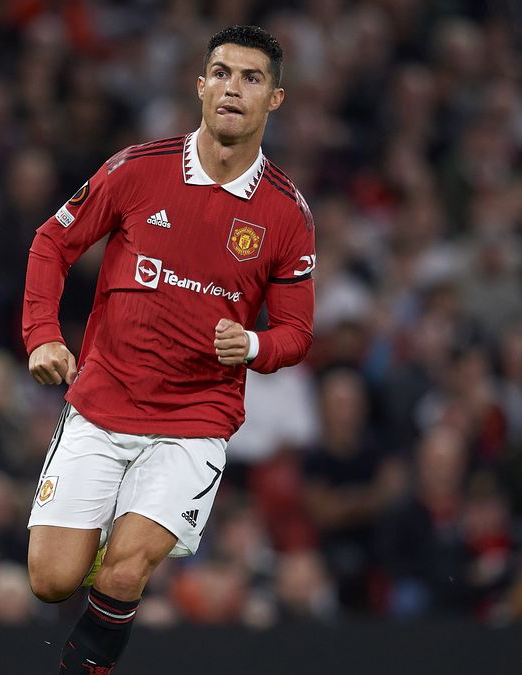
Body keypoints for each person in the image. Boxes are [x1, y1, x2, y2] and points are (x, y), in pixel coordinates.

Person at [21, 25, 314, 674]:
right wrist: (43, 333)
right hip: (100, 402)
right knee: (51, 579)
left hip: (194, 419)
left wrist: (256, 344)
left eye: (252, 78)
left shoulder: (286, 214)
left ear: (275, 100)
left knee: (127, 567)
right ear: (201, 85)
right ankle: (99, 538)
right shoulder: (138, 169)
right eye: (222, 73)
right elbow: (52, 242)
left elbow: (295, 332)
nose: (233, 87)